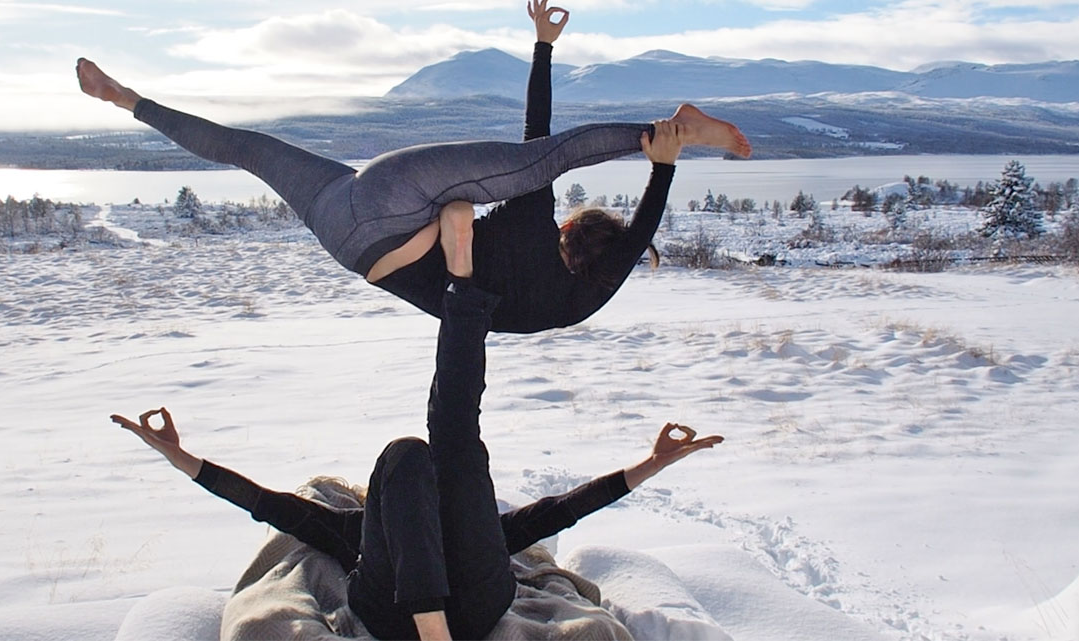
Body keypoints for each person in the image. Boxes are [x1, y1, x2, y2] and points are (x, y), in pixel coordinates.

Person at [110, 207, 725, 641]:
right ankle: (464, 288)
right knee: (428, 445)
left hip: (435, 608)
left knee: (436, 445)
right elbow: (270, 506)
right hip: (433, 612)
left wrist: (651, 465)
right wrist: (179, 457)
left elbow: (560, 510)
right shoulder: (364, 530)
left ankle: (465, 286)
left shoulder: (364, 530)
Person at [76, 1, 751, 334]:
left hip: (396, 201)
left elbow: (542, 148)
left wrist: (662, 162)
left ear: (574, 230)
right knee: (253, 153)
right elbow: (625, 252)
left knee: (537, 159)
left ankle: (672, 128)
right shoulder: (554, 307)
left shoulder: (544, 251)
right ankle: (125, 98)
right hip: (348, 236)